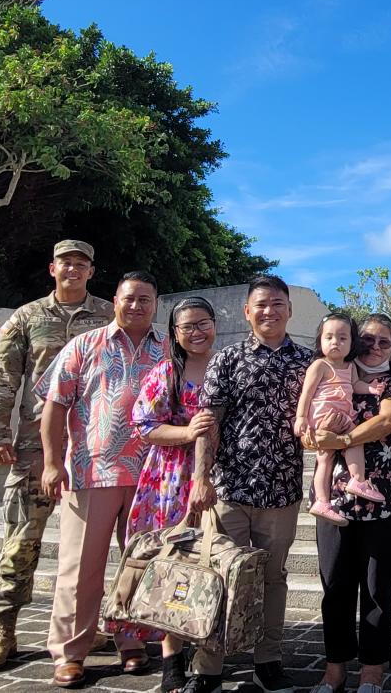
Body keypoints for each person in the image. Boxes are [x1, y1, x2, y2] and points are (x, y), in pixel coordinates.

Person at [0, 239, 116, 674]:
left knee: (95, 548)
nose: (73, 269)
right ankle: (4, 631)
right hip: (36, 447)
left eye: (82, 263)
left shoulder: (109, 316)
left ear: (92, 271)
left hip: (97, 448)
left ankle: (94, 626)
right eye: (66, 263)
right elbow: (4, 377)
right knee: (20, 542)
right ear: (51, 268)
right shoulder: (27, 317)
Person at [183, 275, 315, 693]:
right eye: (260, 304)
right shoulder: (227, 360)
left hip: (280, 492)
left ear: (289, 309)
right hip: (230, 491)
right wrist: (201, 478)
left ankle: (268, 659)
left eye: (277, 303)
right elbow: (209, 424)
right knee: (217, 575)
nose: (269, 311)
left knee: (273, 578)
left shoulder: (309, 363)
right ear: (247, 311)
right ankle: (208, 666)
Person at [39, 271, 167, 688]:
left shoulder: (169, 349)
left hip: (151, 477)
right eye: (129, 298)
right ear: (115, 300)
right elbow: (55, 405)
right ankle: (70, 652)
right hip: (91, 471)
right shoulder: (84, 344)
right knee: (80, 568)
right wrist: (52, 462)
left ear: (156, 304)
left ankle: (132, 640)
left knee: (141, 564)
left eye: (145, 300)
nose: (136, 306)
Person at [305, 312, 391, 693]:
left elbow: (387, 422)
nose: (374, 347)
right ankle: (334, 669)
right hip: (333, 500)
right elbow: (307, 426)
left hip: (382, 498)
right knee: (334, 585)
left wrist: (339, 440)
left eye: (384, 342)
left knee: (376, 588)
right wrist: (312, 434)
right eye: (367, 340)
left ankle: (372, 670)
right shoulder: (332, 376)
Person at [121, 296, 224, 693]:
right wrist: (187, 433)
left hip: (221, 475)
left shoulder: (226, 365)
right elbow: (144, 424)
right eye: (187, 327)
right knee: (173, 566)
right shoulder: (167, 372)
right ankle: (170, 656)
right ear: (175, 334)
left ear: (215, 324)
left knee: (210, 567)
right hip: (170, 480)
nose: (197, 332)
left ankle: (206, 653)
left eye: (203, 323)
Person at [294, 313, 387, 526]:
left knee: (351, 443)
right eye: (329, 337)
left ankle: (352, 483)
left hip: (343, 417)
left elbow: (355, 385)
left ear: (352, 342)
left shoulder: (350, 366)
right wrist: (301, 418)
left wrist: (371, 388)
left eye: (342, 338)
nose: (335, 342)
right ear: (320, 341)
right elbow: (306, 394)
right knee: (329, 456)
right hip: (324, 419)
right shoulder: (320, 365)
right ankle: (327, 498)